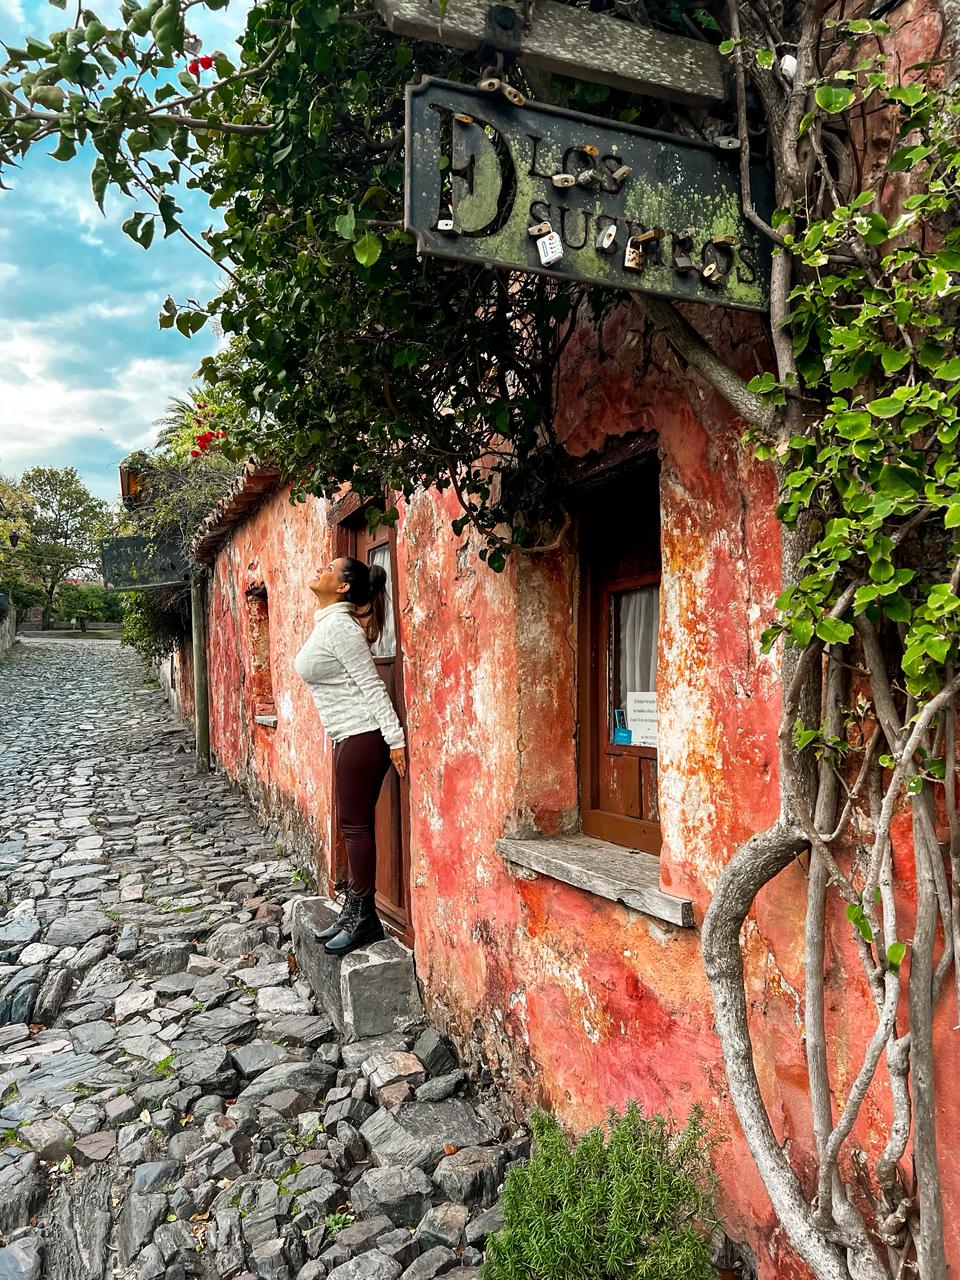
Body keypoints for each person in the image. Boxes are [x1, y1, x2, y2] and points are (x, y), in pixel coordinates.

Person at [294, 555, 406, 956]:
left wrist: (396, 741)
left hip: (364, 734)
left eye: (328, 569)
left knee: (356, 828)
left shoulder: (342, 628)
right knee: (351, 825)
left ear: (342, 587)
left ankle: (365, 919)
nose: (319, 570)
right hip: (348, 735)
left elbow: (372, 686)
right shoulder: (329, 622)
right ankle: (354, 911)